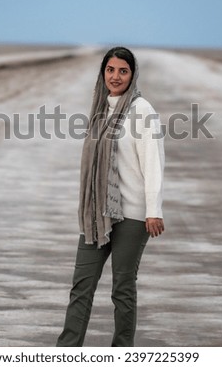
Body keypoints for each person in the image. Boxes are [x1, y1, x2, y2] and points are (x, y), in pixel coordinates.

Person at [56, 46, 165, 347]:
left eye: (123, 71)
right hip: (97, 216)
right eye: (110, 70)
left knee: (122, 289)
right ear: (103, 72)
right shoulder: (99, 109)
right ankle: (65, 353)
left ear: (132, 74)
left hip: (132, 215)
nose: (115, 77)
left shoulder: (142, 110)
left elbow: (153, 163)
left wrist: (153, 209)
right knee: (82, 286)